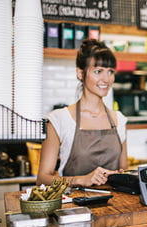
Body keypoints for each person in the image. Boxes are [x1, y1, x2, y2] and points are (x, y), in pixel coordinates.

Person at [37, 39, 128, 187]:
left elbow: (124, 170)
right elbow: (43, 178)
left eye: (110, 72)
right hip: (73, 207)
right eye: (98, 71)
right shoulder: (59, 119)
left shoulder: (119, 120)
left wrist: (119, 175)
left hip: (116, 206)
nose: (106, 79)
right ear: (80, 73)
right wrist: (80, 180)